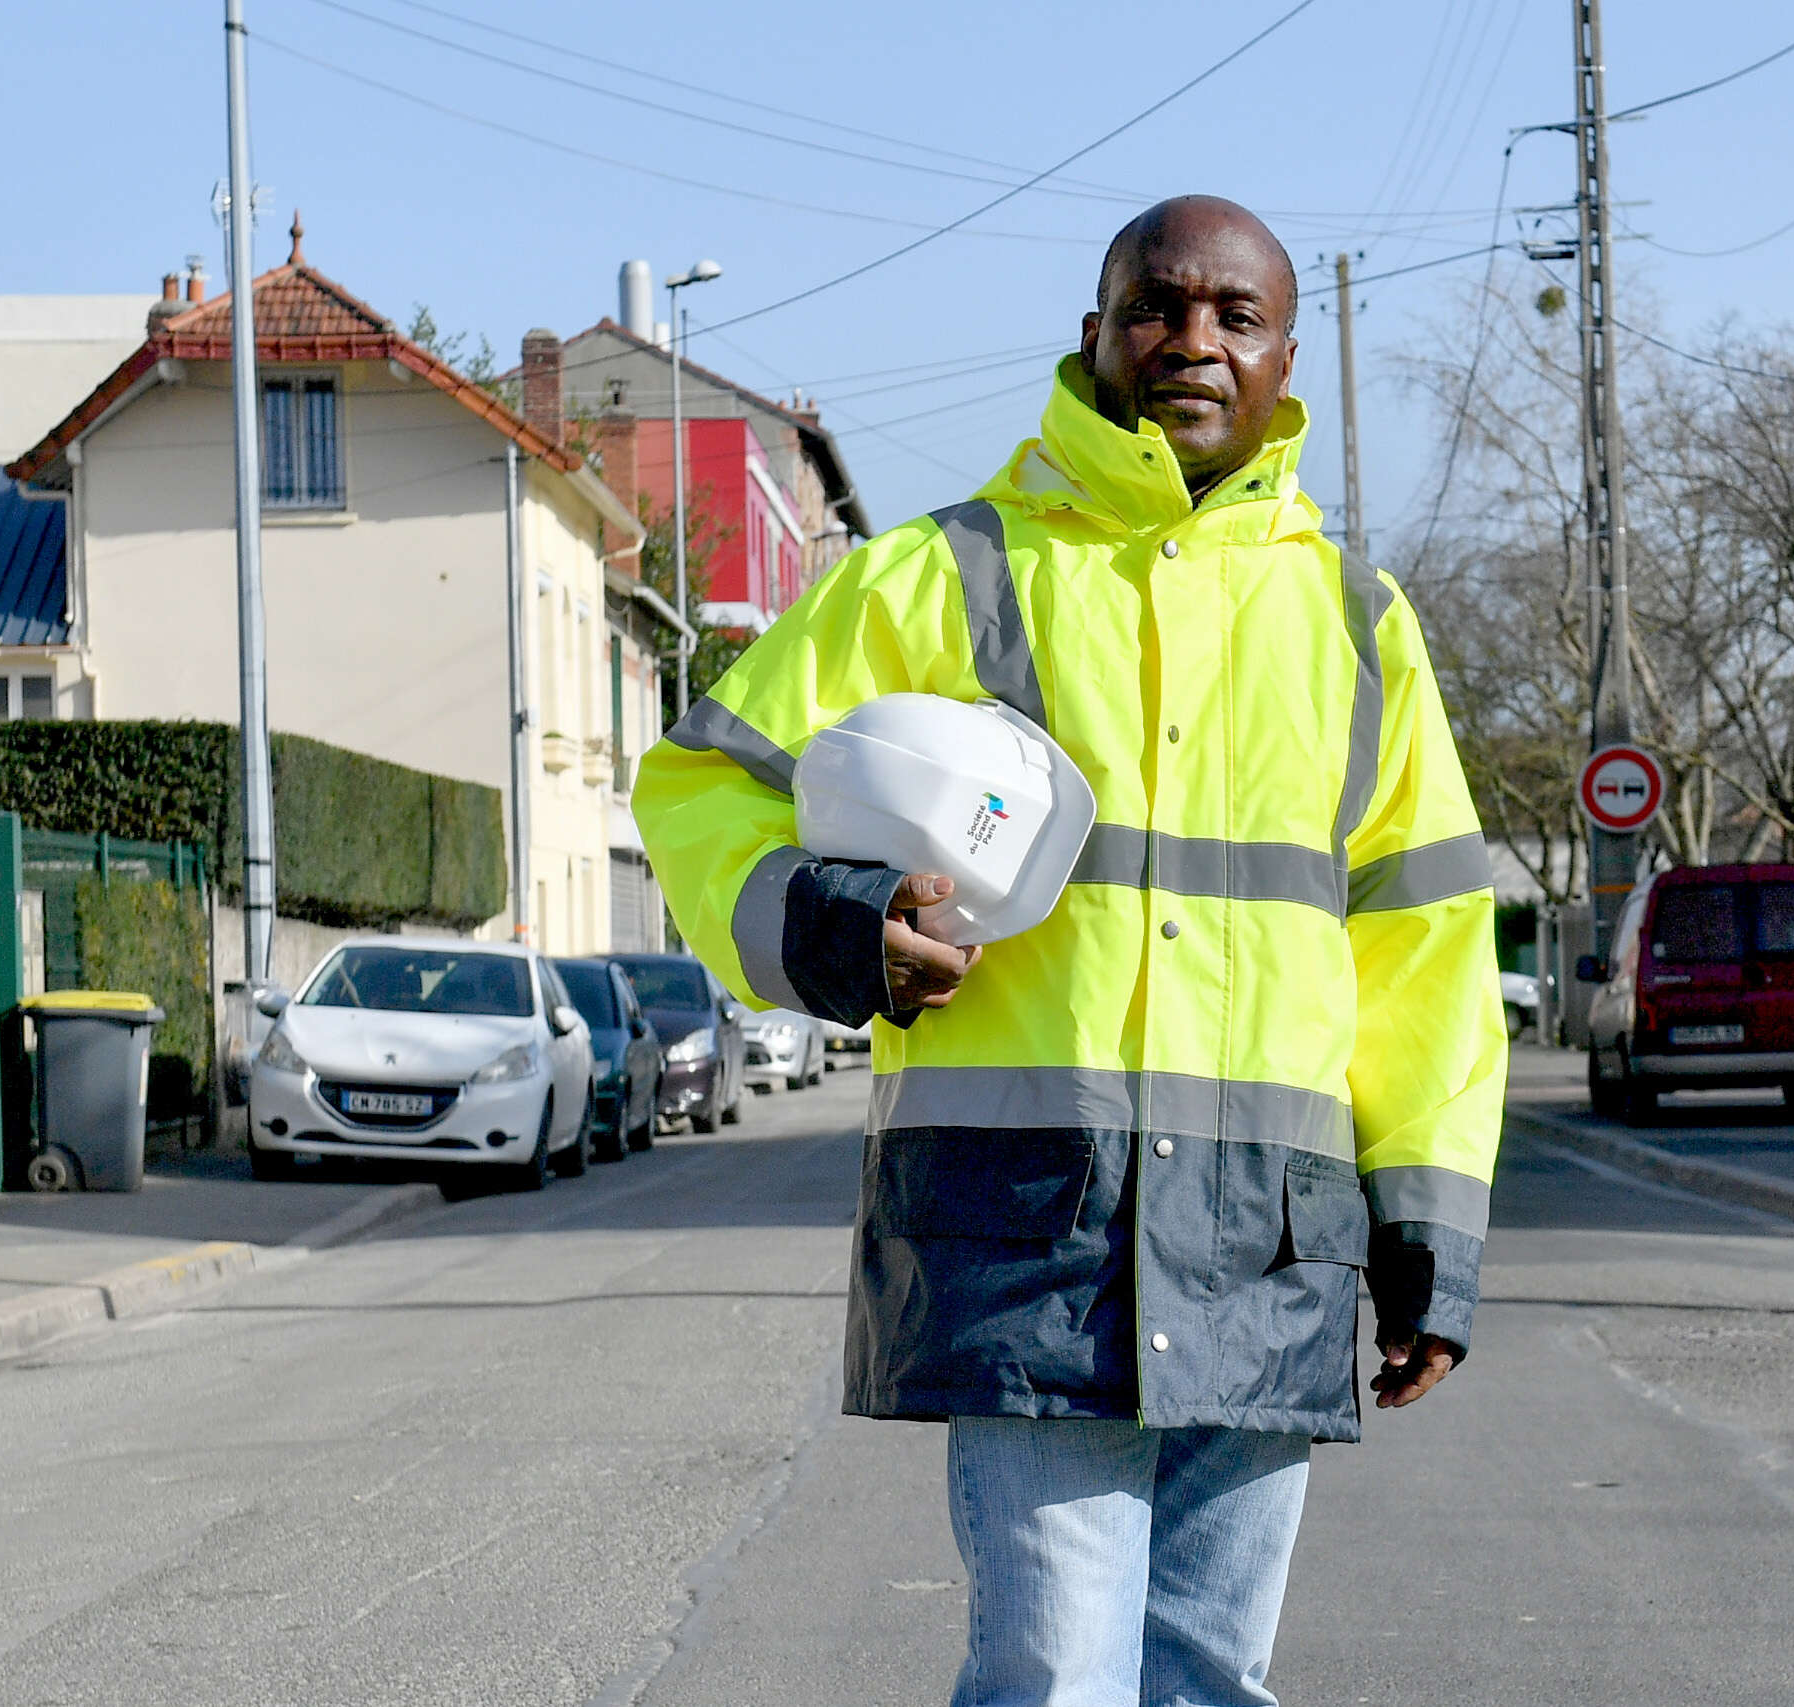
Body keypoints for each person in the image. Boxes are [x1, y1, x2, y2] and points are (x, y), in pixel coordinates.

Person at [634, 195, 1503, 1707]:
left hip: (1266, 1239)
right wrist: (843, 928)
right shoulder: (938, 575)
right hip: (1034, 1225)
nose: (1193, 341)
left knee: (1212, 1677)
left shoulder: (1357, 625)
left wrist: (1428, 1229)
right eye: (1156, 306)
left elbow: (1419, 945)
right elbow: (703, 782)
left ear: (1284, 355)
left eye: (1235, 315)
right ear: (1093, 336)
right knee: (1052, 1676)